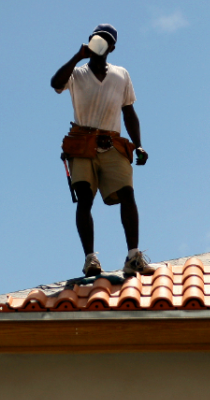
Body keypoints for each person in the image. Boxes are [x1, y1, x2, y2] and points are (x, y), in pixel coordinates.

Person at [51, 24, 154, 277]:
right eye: (97, 39)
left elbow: (128, 111)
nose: (100, 43)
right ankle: (91, 259)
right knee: (85, 197)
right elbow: (55, 83)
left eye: (106, 40)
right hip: (82, 143)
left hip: (112, 143)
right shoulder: (77, 73)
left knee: (128, 193)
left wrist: (138, 143)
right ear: (90, 41)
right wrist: (78, 56)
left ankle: (133, 256)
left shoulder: (121, 74)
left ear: (113, 47)